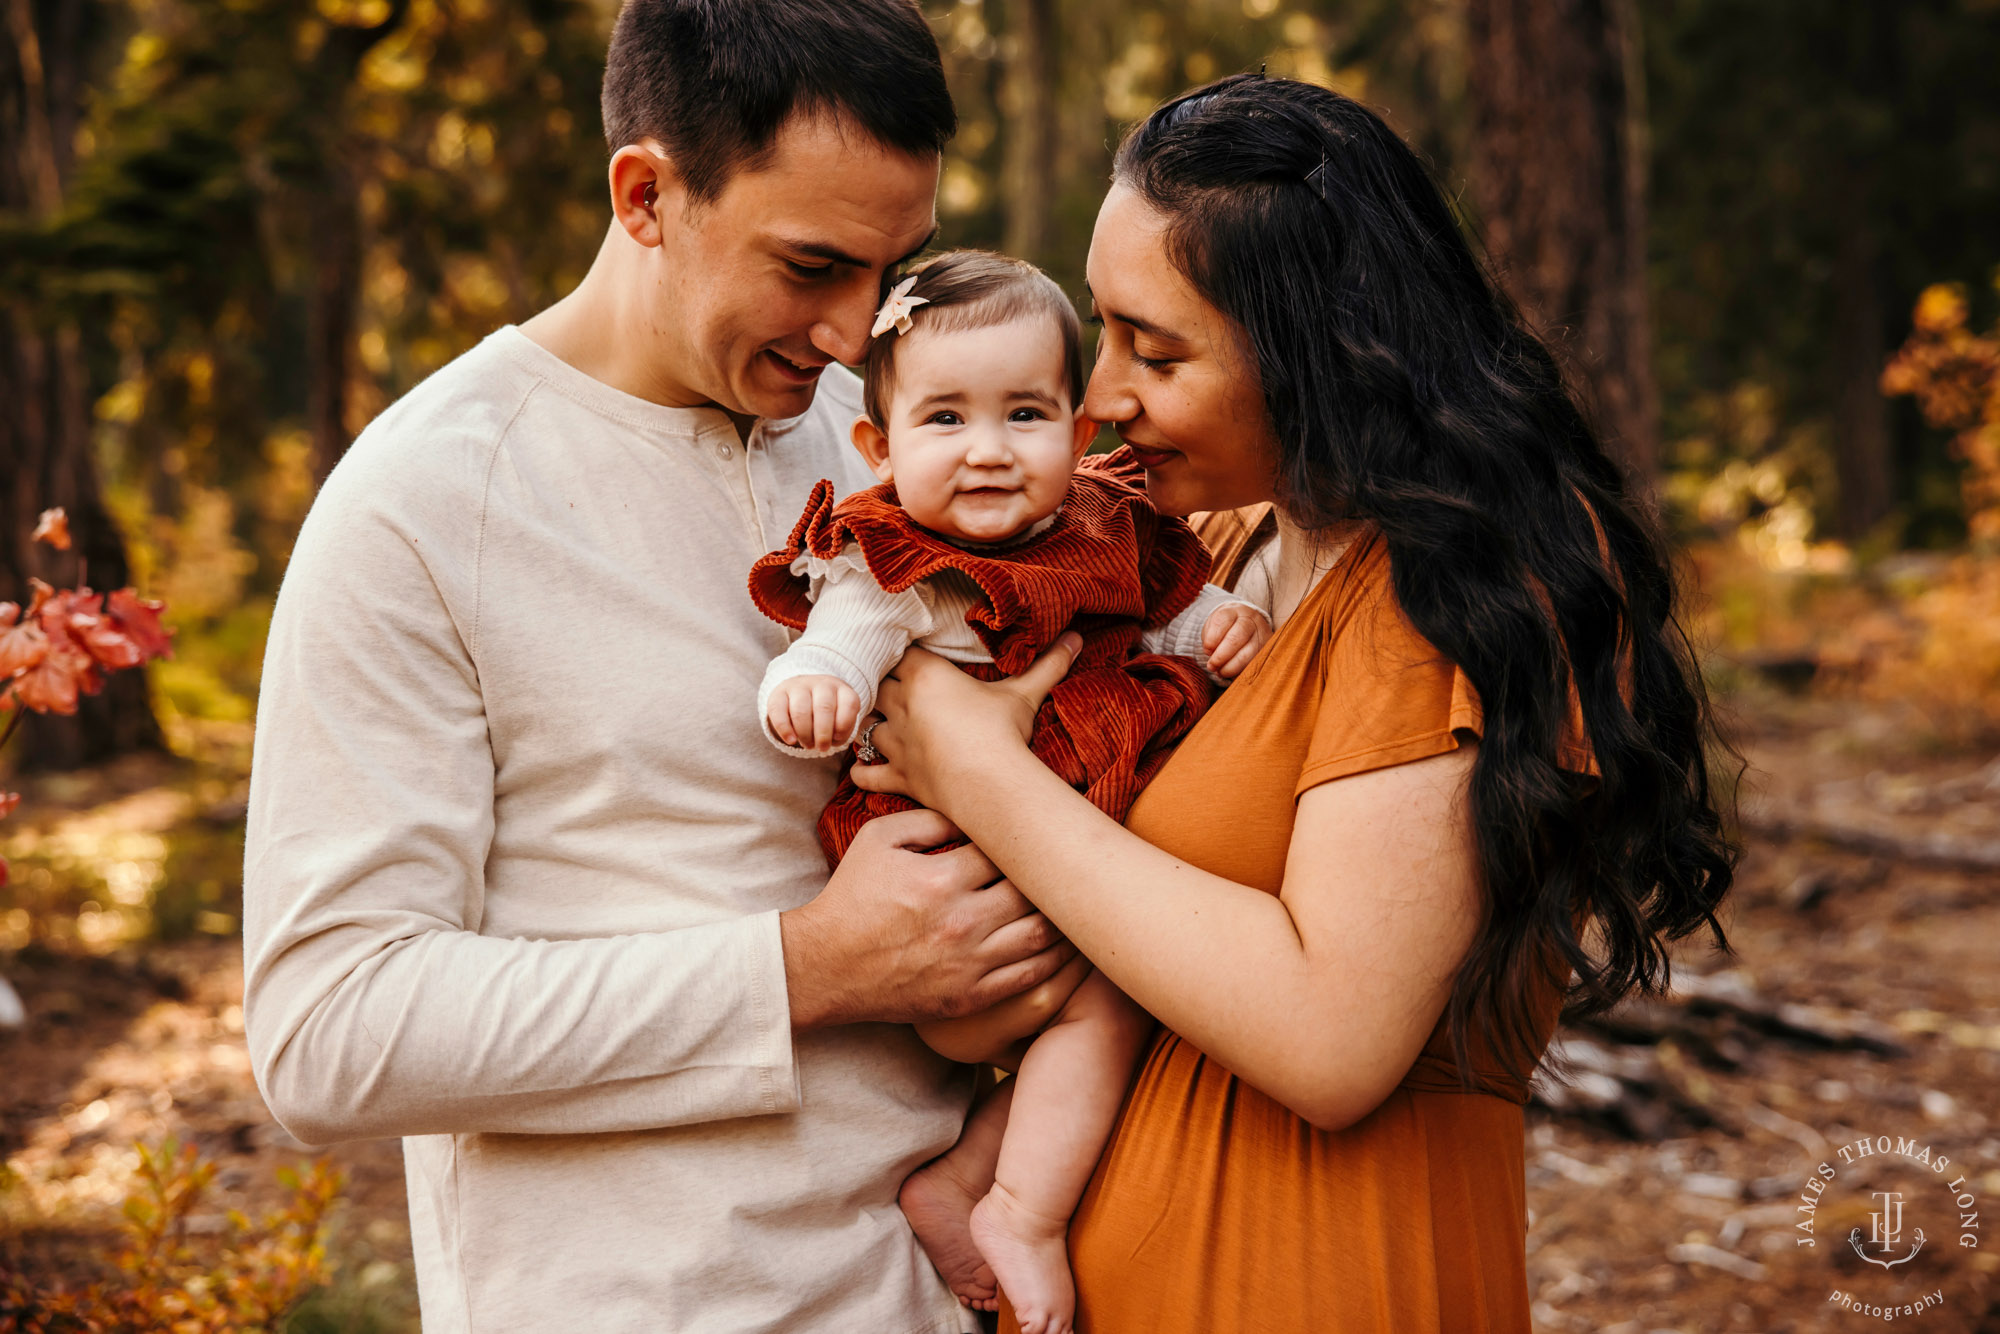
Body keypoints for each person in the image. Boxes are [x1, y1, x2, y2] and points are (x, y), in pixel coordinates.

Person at [850, 74, 1737, 1333]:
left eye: (1155, 350)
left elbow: (1331, 1036)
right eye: (1101, 332)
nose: (1100, 396)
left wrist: (974, 770)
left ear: (1320, 351)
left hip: (1326, 1280)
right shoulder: (1189, 536)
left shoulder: (1460, 582)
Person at [240, 4, 1079, 1331]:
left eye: (895, 268)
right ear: (647, 195)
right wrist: (810, 968)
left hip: (946, 1298)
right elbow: (330, 1031)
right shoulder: (420, 501)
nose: (859, 333)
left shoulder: (895, 450)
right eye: (811, 264)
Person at [750, 250, 1270, 1334]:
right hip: (956, 896)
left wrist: (1216, 628)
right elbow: (841, 645)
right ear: (877, 448)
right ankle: (1022, 1214)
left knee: (1134, 1005)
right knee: (1128, 995)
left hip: (1060, 875)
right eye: (944, 419)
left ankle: (966, 1175)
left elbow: (1161, 618)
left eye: (1023, 413)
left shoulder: (1108, 528)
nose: (987, 451)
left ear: (1078, 438)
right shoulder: (894, 557)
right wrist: (811, 688)